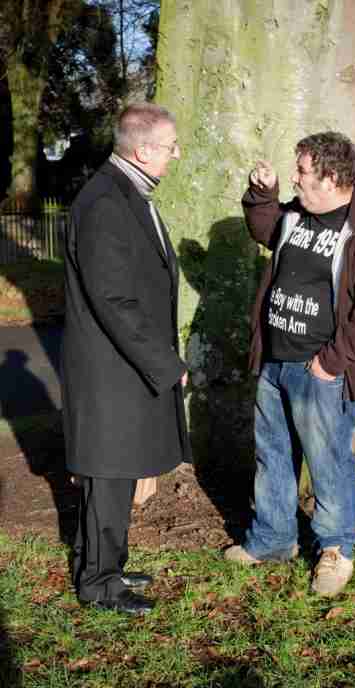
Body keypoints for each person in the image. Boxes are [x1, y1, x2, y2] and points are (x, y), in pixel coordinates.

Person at [225, 132, 355, 597]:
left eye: (302, 172)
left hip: (321, 370)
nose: (296, 179)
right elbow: (265, 228)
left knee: (329, 462)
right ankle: (271, 540)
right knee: (273, 455)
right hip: (275, 358)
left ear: (331, 177)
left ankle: (336, 550)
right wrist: (262, 193)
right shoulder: (299, 213)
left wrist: (331, 363)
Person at [62, 103, 191, 615]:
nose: (176, 153)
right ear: (143, 150)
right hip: (109, 371)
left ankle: (104, 564)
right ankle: (98, 584)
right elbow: (113, 299)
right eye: (170, 145)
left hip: (119, 366)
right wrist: (167, 363)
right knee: (109, 474)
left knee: (113, 476)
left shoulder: (122, 191)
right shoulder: (106, 202)